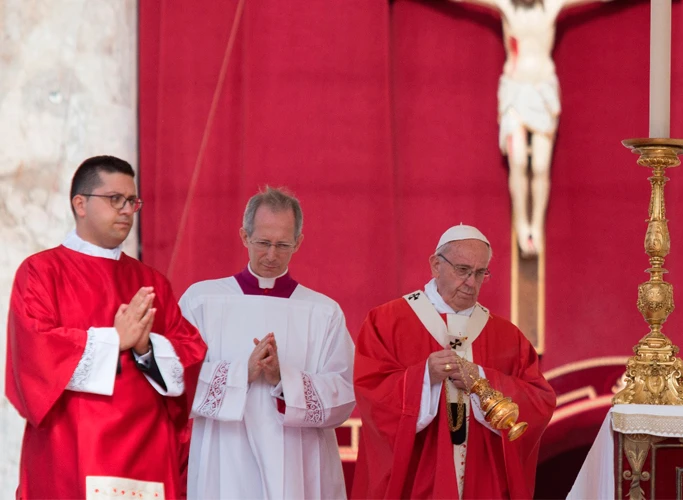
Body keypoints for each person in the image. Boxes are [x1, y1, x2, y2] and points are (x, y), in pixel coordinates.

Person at [5, 155, 208, 499]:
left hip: (147, 451)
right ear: (80, 204)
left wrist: (146, 349)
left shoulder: (152, 282)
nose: (127, 210)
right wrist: (115, 339)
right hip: (74, 446)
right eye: (115, 199)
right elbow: (36, 352)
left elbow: (190, 355)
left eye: (132, 201)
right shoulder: (41, 271)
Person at [352, 224, 556, 499]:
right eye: (462, 270)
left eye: (480, 272)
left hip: (482, 481)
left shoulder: (507, 337)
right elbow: (371, 393)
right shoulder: (387, 323)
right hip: (417, 480)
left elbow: (539, 401)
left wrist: (483, 380)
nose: (471, 282)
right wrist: (424, 378)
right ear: (436, 265)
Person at [179, 186, 356, 499]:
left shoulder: (323, 312)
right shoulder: (202, 301)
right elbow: (177, 378)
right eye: (263, 243)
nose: (272, 255)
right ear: (244, 237)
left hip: (298, 462)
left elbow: (343, 393)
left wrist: (284, 381)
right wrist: (240, 373)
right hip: (224, 456)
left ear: (298, 242)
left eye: (283, 245)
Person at [452, 0, 614, 257]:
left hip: (542, 92)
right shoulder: (505, 5)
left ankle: (536, 225)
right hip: (515, 93)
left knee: (539, 165)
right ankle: (521, 223)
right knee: (517, 161)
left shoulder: (553, 5)